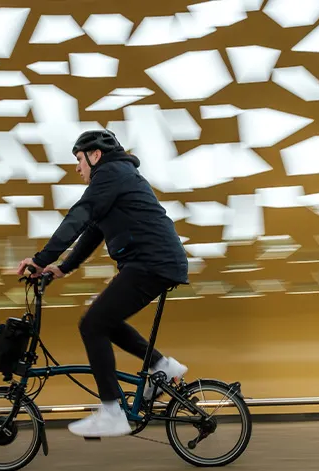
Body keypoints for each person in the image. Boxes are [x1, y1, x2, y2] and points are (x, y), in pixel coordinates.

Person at [16, 129, 190, 438]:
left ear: (96, 155)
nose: (77, 167)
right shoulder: (117, 178)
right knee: (103, 320)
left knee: (92, 324)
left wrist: (40, 259)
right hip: (153, 262)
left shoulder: (111, 174)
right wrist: (62, 267)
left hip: (152, 263)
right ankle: (162, 366)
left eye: (79, 159)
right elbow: (93, 231)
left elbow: (79, 216)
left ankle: (111, 411)